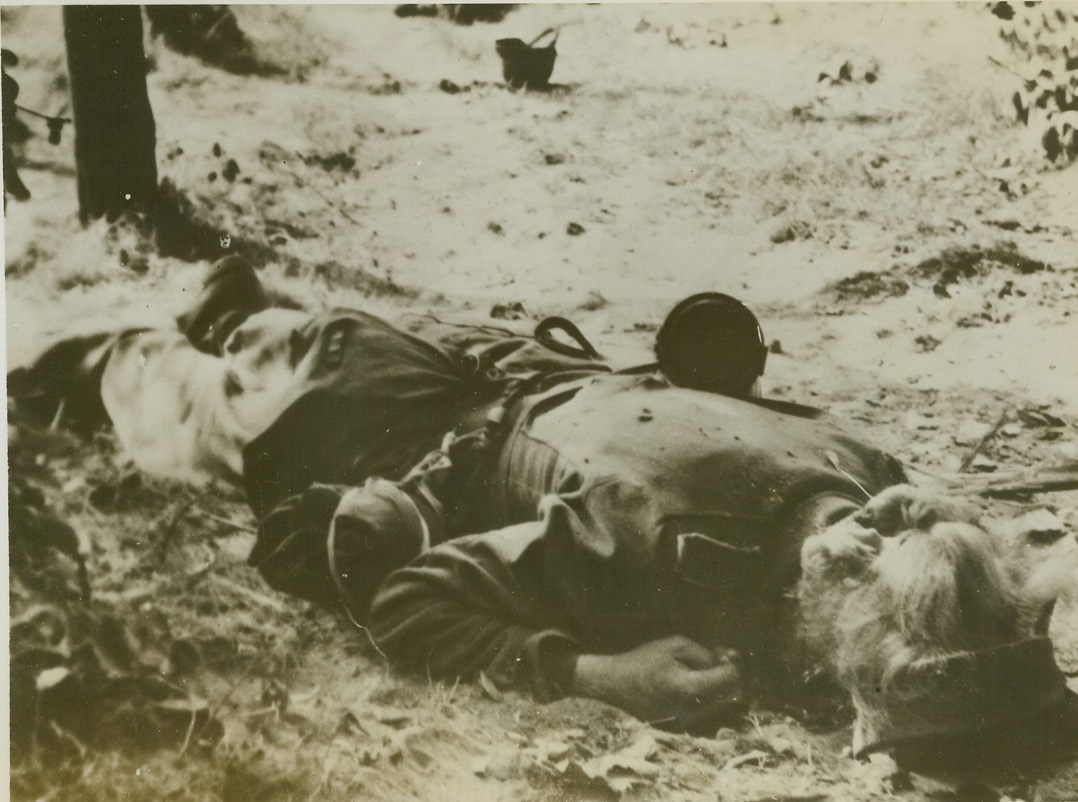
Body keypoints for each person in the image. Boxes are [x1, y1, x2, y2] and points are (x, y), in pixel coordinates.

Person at [9, 257, 1074, 759]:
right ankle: (192, 326)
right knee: (258, 364)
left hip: (456, 399)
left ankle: (196, 327)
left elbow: (419, 591)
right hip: (461, 391)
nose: (880, 516)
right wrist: (597, 671)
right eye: (893, 519)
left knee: (276, 359)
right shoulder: (788, 504)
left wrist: (592, 670)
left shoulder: (800, 492)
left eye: (875, 537)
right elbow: (413, 595)